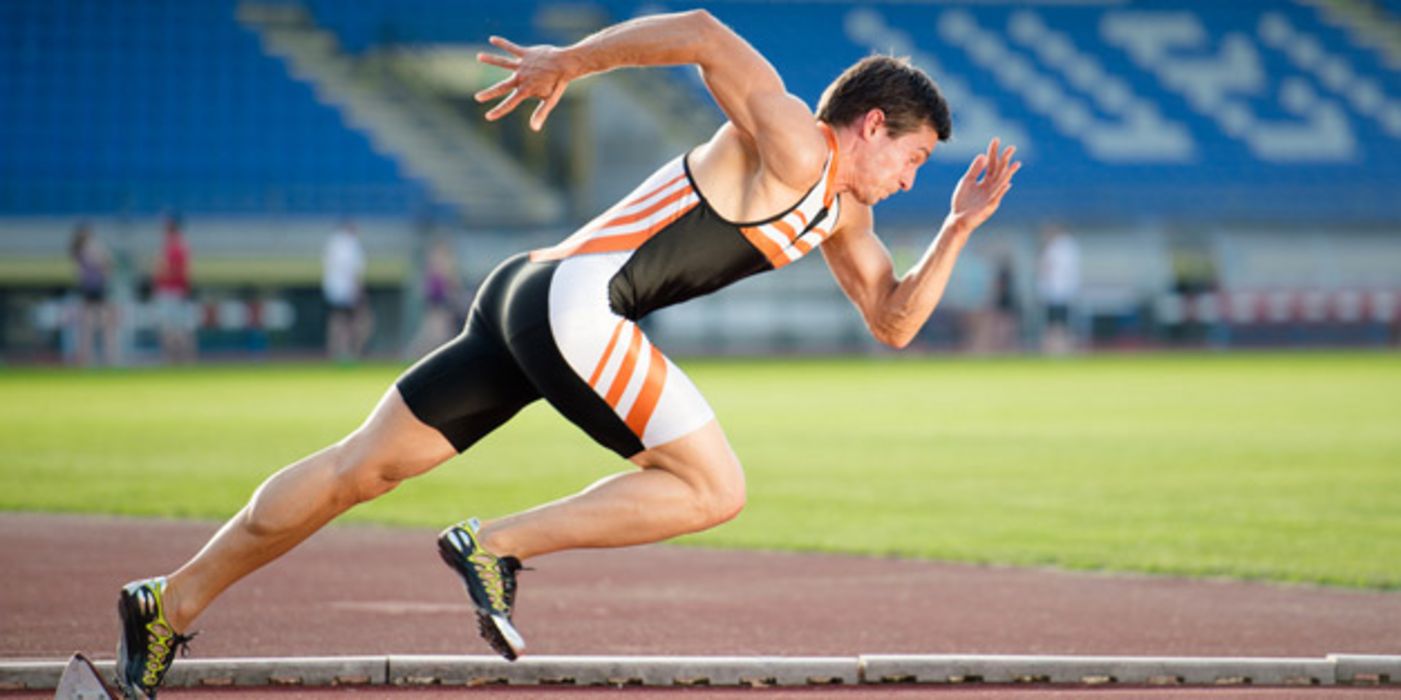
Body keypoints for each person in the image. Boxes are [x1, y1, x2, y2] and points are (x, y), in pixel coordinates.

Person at [113, 10, 1020, 698]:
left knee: (359, 470)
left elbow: (893, 320)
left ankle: (171, 602)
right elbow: (704, 32)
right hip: (577, 306)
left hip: (524, 295)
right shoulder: (792, 140)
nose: (910, 180)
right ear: (869, 125)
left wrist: (954, 228)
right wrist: (569, 62)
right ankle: (494, 546)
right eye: (913, 159)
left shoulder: (844, 216)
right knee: (714, 488)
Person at [68, 222, 119, 366]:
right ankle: (104, 356)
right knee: (100, 325)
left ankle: (91, 356)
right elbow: (106, 263)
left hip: (92, 289)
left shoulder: (81, 250)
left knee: (91, 325)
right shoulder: (88, 248)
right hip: (95, 289)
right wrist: (105, 263)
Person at [322, 220, 371, 361]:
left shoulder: (334, 243)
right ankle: (349, 352)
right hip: (347, 291)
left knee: (337, 321)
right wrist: (358, 289)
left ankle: (337, 351)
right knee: (353, 322)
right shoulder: (351, 245)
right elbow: (353, 271)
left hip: (334, 290)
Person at [152, 215, 197, 364]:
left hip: (173, 292)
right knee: (173, 328)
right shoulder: (171, 247)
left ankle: (178, 358)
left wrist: (163, 269)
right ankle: (177, 359)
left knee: (175, 329)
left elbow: (179, 271)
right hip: (171, 292)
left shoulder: (177, 248)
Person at [1037, 223, 1080, 355]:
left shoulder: (1056, 248)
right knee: (1060, 322)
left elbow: (1047, 268)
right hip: (1063, 290)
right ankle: (1060, 347)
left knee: (1056, 323)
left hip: (1056, 291)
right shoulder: (1069, 247)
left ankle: (1057, 348)